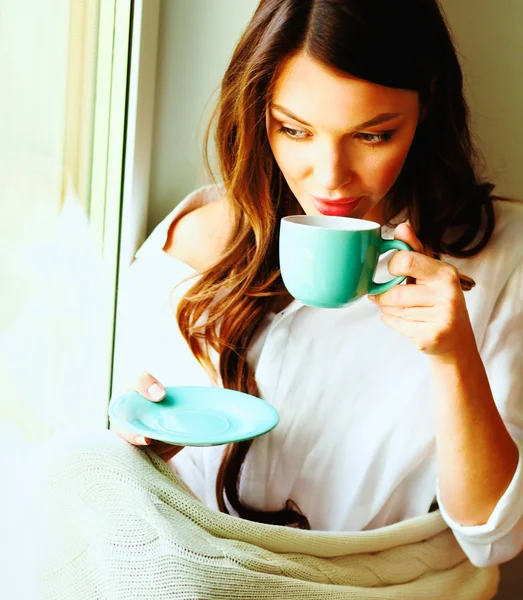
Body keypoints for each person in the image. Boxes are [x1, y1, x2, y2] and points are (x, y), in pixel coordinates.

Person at [40, 0, 523, 597]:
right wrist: (150, 441)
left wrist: (453, 355)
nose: (330, 177)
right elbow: (163, 513)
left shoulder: (501, 259)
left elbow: (491, 539)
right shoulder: (196, 245)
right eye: (293, 129)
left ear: (426, 109)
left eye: (373, 134)